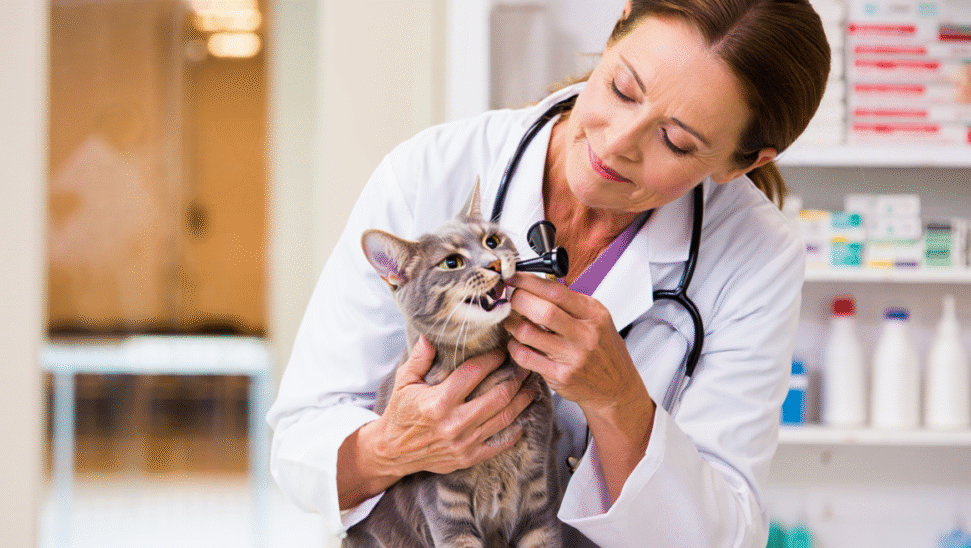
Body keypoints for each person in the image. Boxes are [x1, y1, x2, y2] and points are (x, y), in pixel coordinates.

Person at [267, 0, 830, 546]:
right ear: (620, 22)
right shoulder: (432, 171)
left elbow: (724, 535)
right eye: (621, 89)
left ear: (742, 163)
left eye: (676, 141)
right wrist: (392, 447)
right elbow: (300, 441)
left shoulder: (756, 253)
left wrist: (620, 404)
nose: (616, 143)